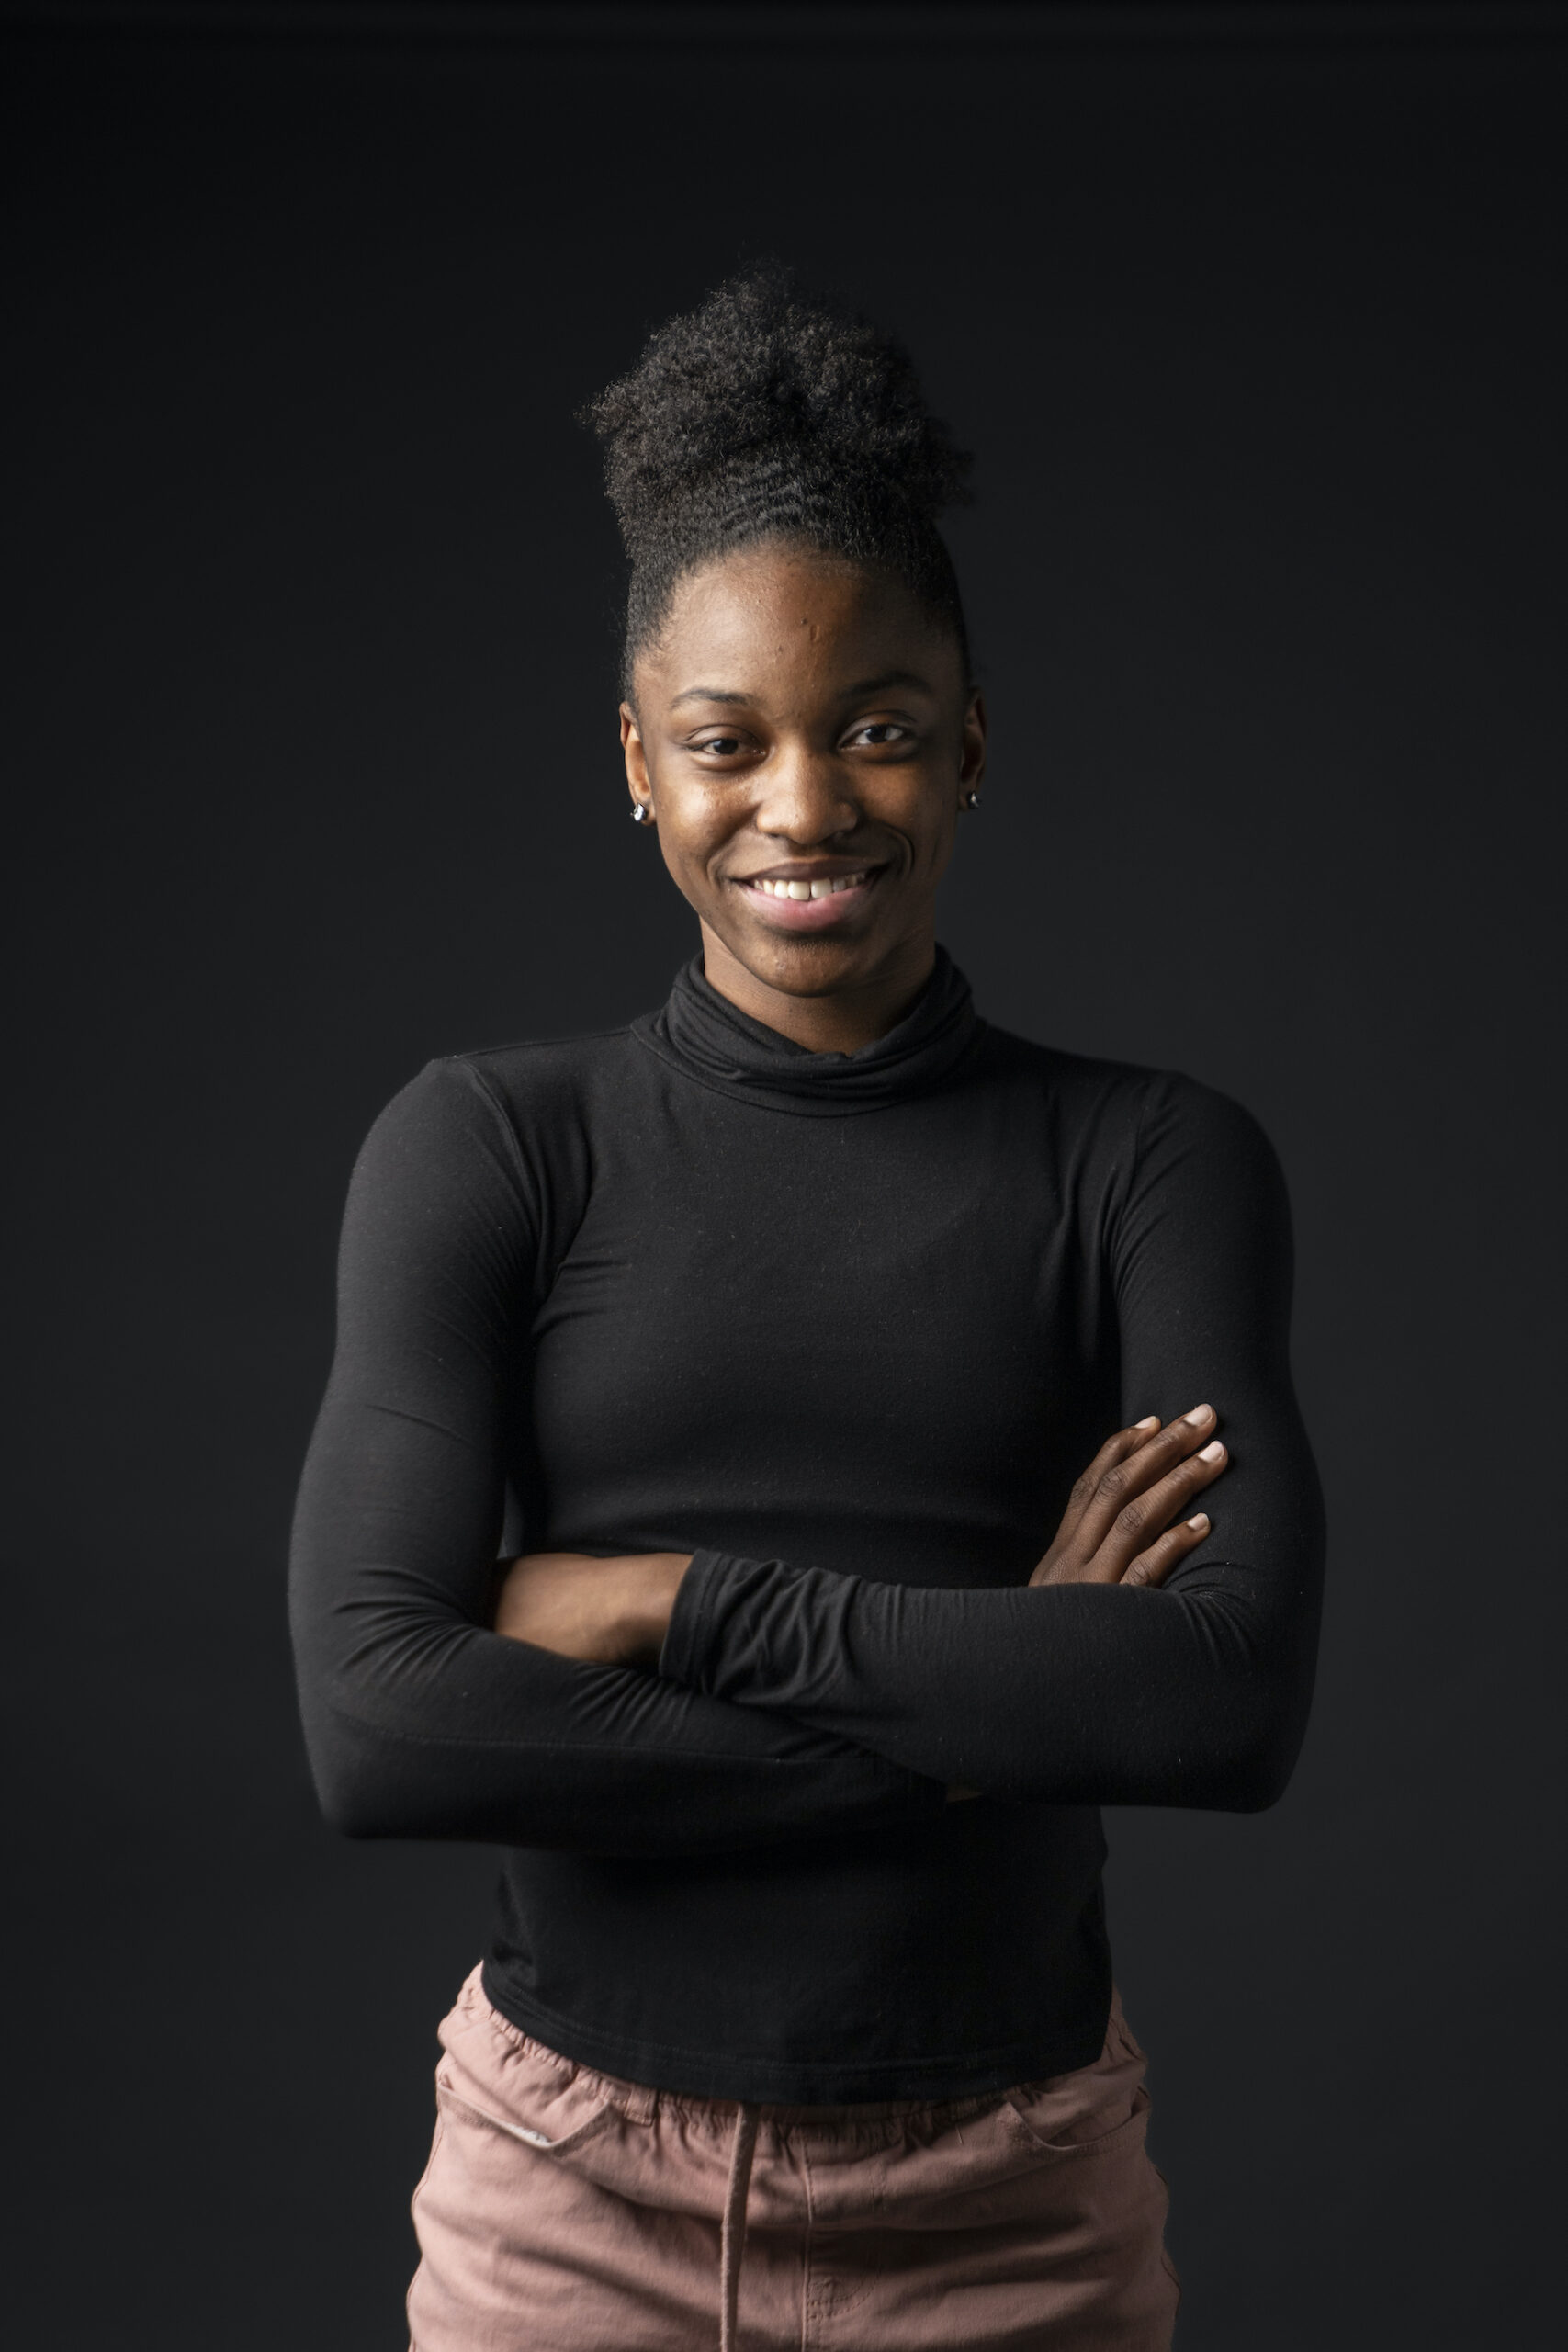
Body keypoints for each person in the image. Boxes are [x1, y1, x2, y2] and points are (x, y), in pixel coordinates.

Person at [289, 268, 1325, 2352]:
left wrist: (664, 1602)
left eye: (874, 728)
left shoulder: (1149, 1162)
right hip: (564, 2192)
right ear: (636, 762)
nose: (803, 802)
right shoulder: (489, 1145)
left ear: (967, 742)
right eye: (724, 742)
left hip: (1006, 2204)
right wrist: (994, 1700)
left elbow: (1219, 1704)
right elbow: (379, 1723)